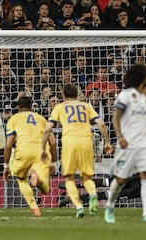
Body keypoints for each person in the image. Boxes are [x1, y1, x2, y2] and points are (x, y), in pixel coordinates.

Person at [41, 83, 113, 218]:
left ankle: (79, 207)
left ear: (63, 96)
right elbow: (102, 124)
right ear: (76, 94)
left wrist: (42, 149)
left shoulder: (59, 107)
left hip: (70, 143)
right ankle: (92, 194)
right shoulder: (86, 106)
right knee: (87, 177)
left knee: (69, 178)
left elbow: (47, 129)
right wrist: (107, 142)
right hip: (87, 142)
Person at [104, 64, 146, 224]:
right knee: (121, 180)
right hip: (128, 143)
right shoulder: (125, 95)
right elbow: (115, 117)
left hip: (145, 143)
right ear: (140, 78)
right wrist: (119, 136)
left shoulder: (145, 95)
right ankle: (110, 205)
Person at [3, 97, 57, 217]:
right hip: (42, 151)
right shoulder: (41, 119)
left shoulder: (13, 119)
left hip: (24, 150)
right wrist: (53, 162)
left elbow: (8, 145)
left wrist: (6, 166)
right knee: (45, 189)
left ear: (18, 107)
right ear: (31, 107)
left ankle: (34, 207)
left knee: (21, 178)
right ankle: (38, 180)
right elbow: (53, 142)